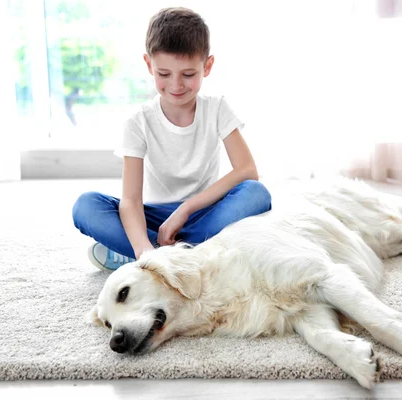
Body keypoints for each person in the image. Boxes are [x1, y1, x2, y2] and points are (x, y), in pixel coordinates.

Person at [72, 7, 272, 271]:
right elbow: (131, 201)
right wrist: (145, 250)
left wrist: (186, 209)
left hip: (204, 213)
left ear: (207, 66)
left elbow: (247, 171)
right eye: (164, 74)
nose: (176, 86)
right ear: (148, 65)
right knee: (86, 206)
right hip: (154, 218)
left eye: (188, 75)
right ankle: (164, 255)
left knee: (256, 194)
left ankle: (145, 255)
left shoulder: (217, 108)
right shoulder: (138, 122)